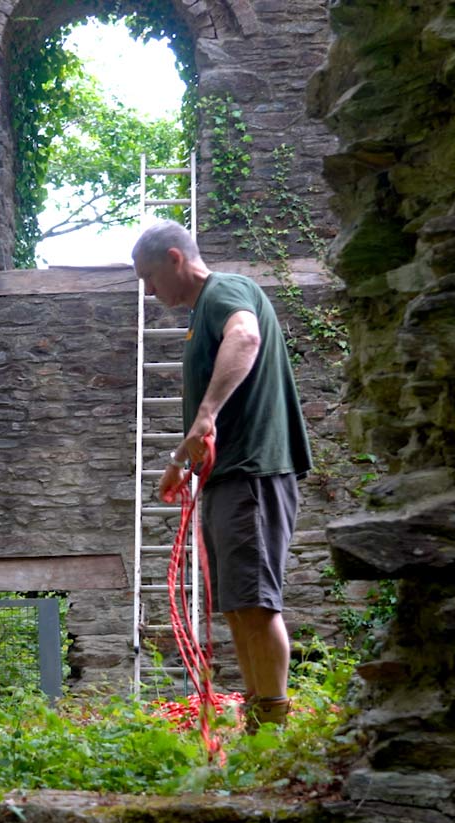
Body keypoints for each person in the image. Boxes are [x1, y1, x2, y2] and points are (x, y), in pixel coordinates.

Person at [131, 220, 312, 730]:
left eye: (149, 277)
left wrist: (206, 415)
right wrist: (177, 466)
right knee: (237, 604)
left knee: (255, 602)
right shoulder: (202, 312)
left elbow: (246, 335)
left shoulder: (223, 291)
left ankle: (271, 731)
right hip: (229, 475)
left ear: (174, 258)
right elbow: (203, 429)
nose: (148, 291)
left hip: (252, 472)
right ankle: (260, 722)